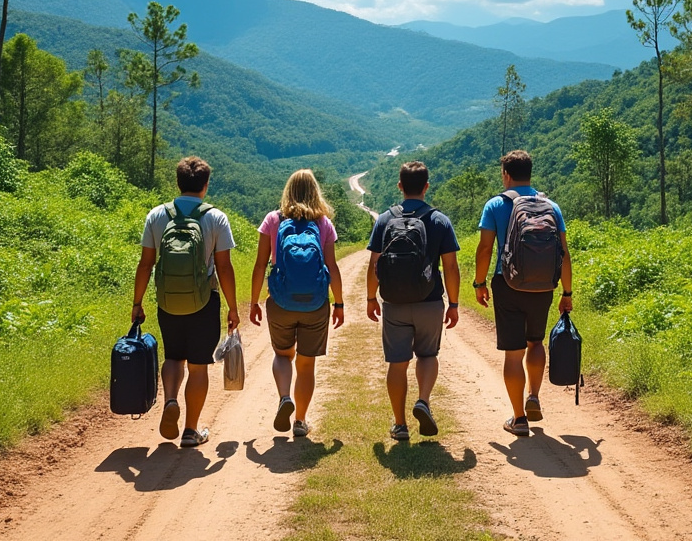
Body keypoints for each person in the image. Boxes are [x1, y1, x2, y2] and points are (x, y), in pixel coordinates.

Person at [132, 156, 240, 448]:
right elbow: (224, 267)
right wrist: (232, 306)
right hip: (204, 302)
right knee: (198, 366)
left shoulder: (156, 216)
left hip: (168, 300)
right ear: (205, 185)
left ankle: (170, 401)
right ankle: (191, 431)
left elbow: (145, 264)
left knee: (173, 357)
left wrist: (137, 302)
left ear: (178, 183)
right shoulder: (215, 218)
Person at [472, 150, 572, 437]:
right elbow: (564, 253)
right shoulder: (551, 206)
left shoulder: (495, 205)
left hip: (509, 283)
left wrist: (479, 283)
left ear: (506, 174)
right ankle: (534, 395)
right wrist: (567, 292)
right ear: (530, 172)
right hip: (543, 285)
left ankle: (518, 419)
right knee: (536, 341)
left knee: (513, 354)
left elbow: (485, 249)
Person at [366, 161, 461, 441]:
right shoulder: (439, 221)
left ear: (400, 186)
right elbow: (451, 267)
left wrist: (371, 297)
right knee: (428, 355)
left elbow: (374, 264)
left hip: (394, 303)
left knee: (398, 363)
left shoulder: (384, 220)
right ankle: (423, 400)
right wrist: (453, 304)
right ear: (426, 186)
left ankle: (400, 424)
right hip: (430, 300)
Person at [249, 169, 345, 438]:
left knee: (282, 355)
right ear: (316, 192)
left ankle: (283, 397)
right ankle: (300, 421)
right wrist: (339, 304)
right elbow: (332, 267)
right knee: (306, 364)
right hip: (314, 303)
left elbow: (259, 265)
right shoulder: (323, 223)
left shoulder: (273, 220)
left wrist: (255, 302)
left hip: (280, 301)